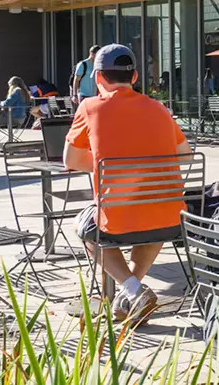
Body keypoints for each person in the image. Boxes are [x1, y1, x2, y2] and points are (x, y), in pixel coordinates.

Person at [64, 44, 194, 324]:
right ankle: (128, 300)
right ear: (135, 77)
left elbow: (71, 160)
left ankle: (133, 290)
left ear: (98, 78)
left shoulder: (90, 107)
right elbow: (186, 155)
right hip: (170, 218)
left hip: (118, 218)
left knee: (84, 227)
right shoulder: (159, 108)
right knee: (150, 221)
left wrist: (106, 166)